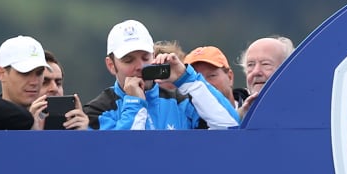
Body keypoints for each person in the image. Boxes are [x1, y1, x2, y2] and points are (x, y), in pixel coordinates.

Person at [83, 19, 240, 130]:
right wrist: (134, 103)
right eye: (128, 60)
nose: (139, 66)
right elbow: (125, 156)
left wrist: (187, 79)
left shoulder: (180, 103)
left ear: (153, 55)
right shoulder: (97, 111)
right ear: (111, 65)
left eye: (145, 58)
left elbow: (230, 126)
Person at [28, 50, 90, 130]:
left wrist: (82, 136)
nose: (54, 88)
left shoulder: (76, 126)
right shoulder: (11, 125)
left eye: (58, 83)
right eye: (44, 82)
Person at [238, 35, 293, 117]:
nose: (256, 72)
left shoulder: (305, 110)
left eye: (265, 64)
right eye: (250, 65)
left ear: (287, 70)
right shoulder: (232, 118)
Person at [184, 45, 248, 110]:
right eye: (195, 79)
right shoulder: (183, 118)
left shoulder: (255, 110)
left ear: (230, 77)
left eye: (211, 76)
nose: (203, 84)